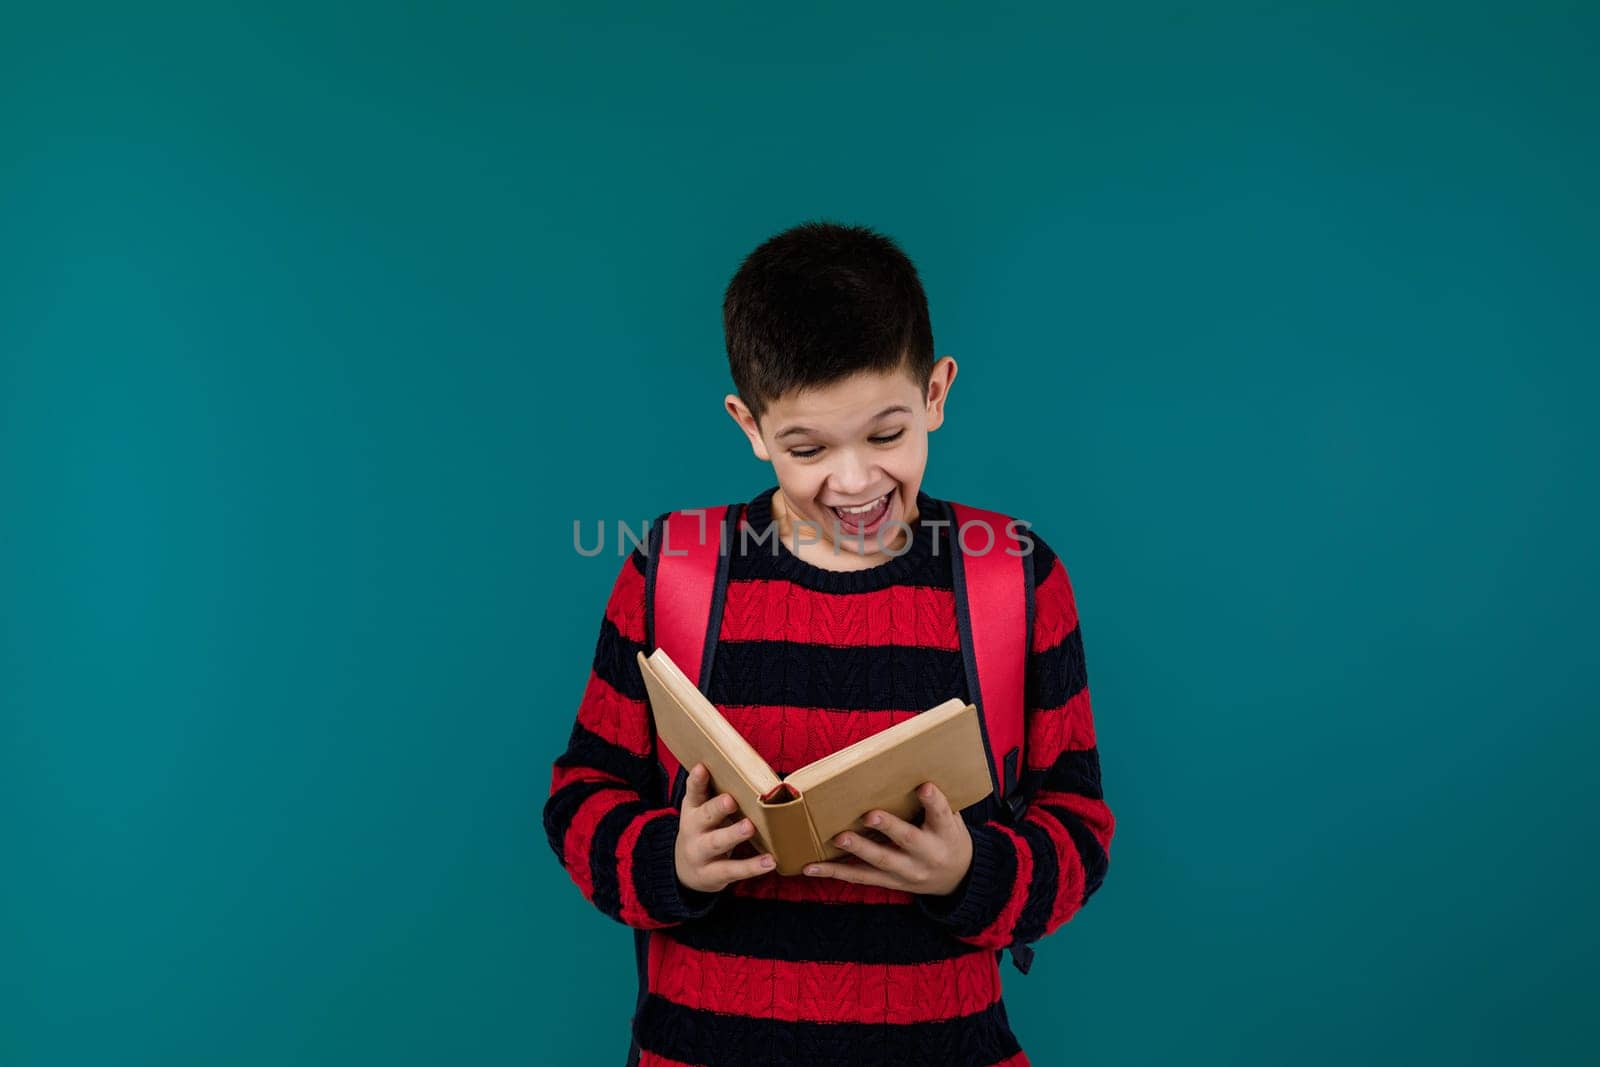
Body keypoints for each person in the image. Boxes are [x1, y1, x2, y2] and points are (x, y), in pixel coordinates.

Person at [542, 221, 1115, 1066]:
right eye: (807, 448)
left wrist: (971, 871)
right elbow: (580, 798)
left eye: (886, 435)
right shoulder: (671, 570)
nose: (853, 482)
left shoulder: (1015, 578)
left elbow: (1080, 828)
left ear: (936, 393)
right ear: (750, 424)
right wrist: (675, 860)